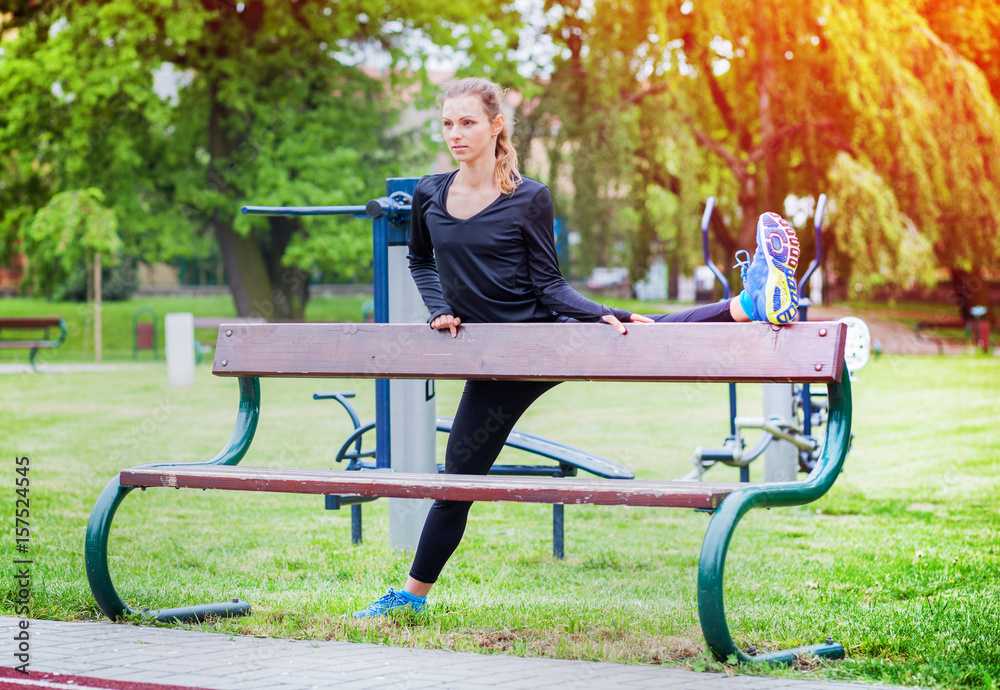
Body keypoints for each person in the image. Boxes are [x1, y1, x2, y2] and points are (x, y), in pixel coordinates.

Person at [352, 77, 800, 618]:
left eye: (467, 122)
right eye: (447, 123)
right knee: (459, 479)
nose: (455, 134)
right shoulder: (429, 192)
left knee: (640, 331)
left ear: (496, 126)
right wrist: (437, 308)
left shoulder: (528, 198)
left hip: (549, 339)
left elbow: (548, 286)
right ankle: (411, 598)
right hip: (494, 362)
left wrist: (598, 313)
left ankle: (753, 302)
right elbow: (420, 260)